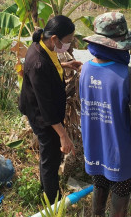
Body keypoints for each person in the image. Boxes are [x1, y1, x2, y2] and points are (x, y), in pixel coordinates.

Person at [79, 12, 131, 217]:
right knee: (120, 193)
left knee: (99, 186)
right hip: (121, 154)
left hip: (94, 149)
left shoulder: (85, 69)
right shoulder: (128, 75)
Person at [19, 15, 82, 204]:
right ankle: (53, 202)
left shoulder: (42, 45)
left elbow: (50, 66)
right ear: (54, 38)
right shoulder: (38, 63)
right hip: (41, 116)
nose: (69, 46)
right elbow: (45, 107)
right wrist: (63, 135)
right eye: (68, 41)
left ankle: (46, 188)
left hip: (43, 109)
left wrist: (66, 65)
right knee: (51, 158)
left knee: (49, 154)